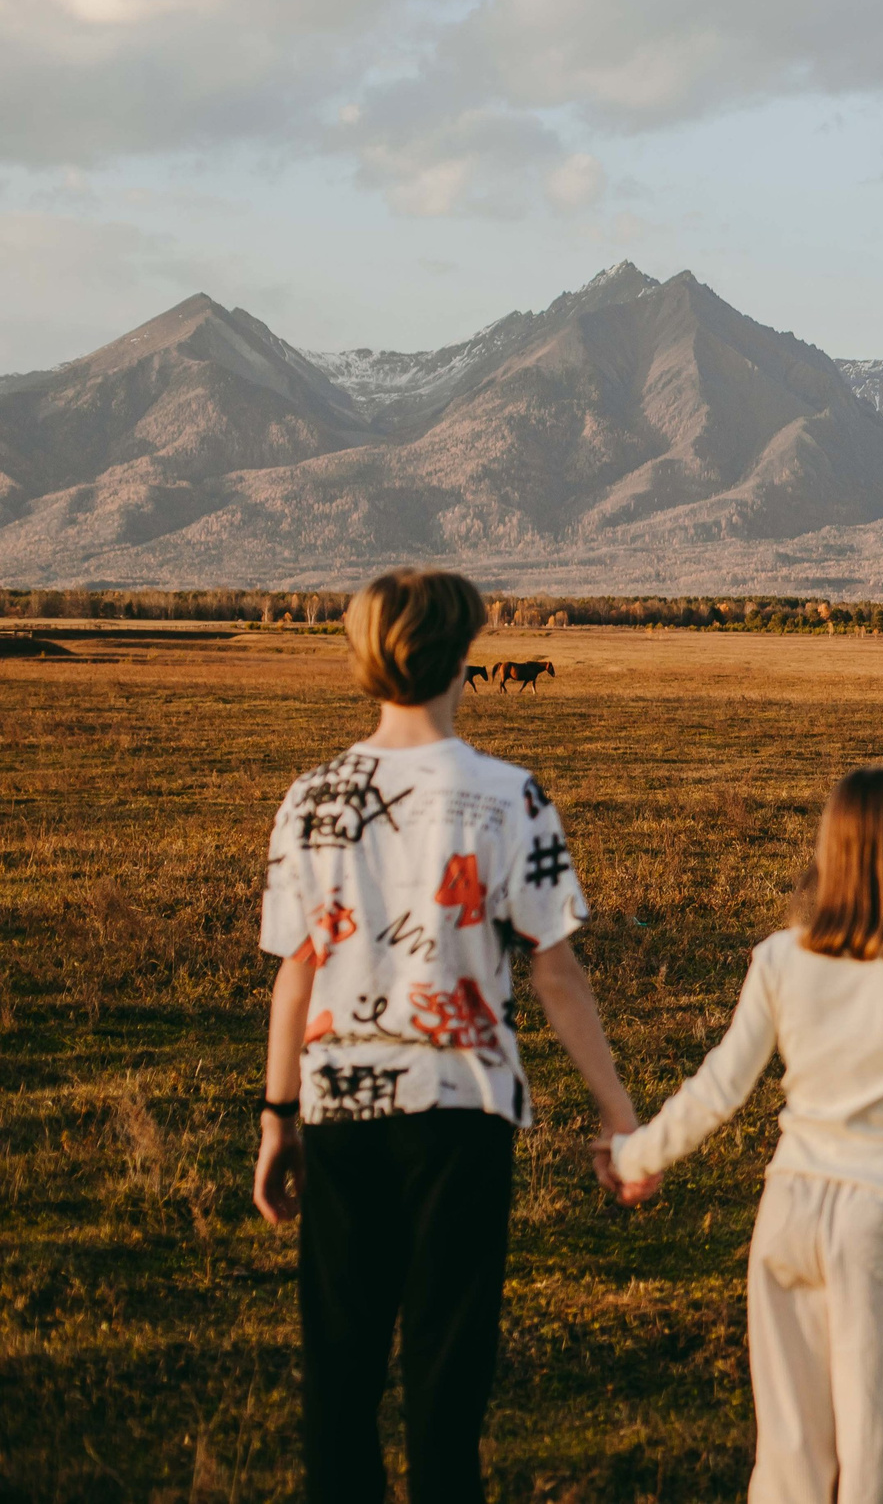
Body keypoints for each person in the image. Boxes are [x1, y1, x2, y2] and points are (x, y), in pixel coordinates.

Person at [252, 567, 650, 1504]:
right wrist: (617, 1106)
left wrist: (277, 1114)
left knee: (339, 1379)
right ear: (464, 656)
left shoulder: (311, 798)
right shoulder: (510, 796)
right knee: (447, 1379)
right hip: (463, 1110)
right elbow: (555, 971)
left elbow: (296, 970)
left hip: (340, 1108)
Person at [610, 766, 883, 1504]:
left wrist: (639, 1153)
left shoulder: (780, 958)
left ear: (829, 850)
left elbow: (722, 1083)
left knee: (789, 1465)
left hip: (788, 1214)